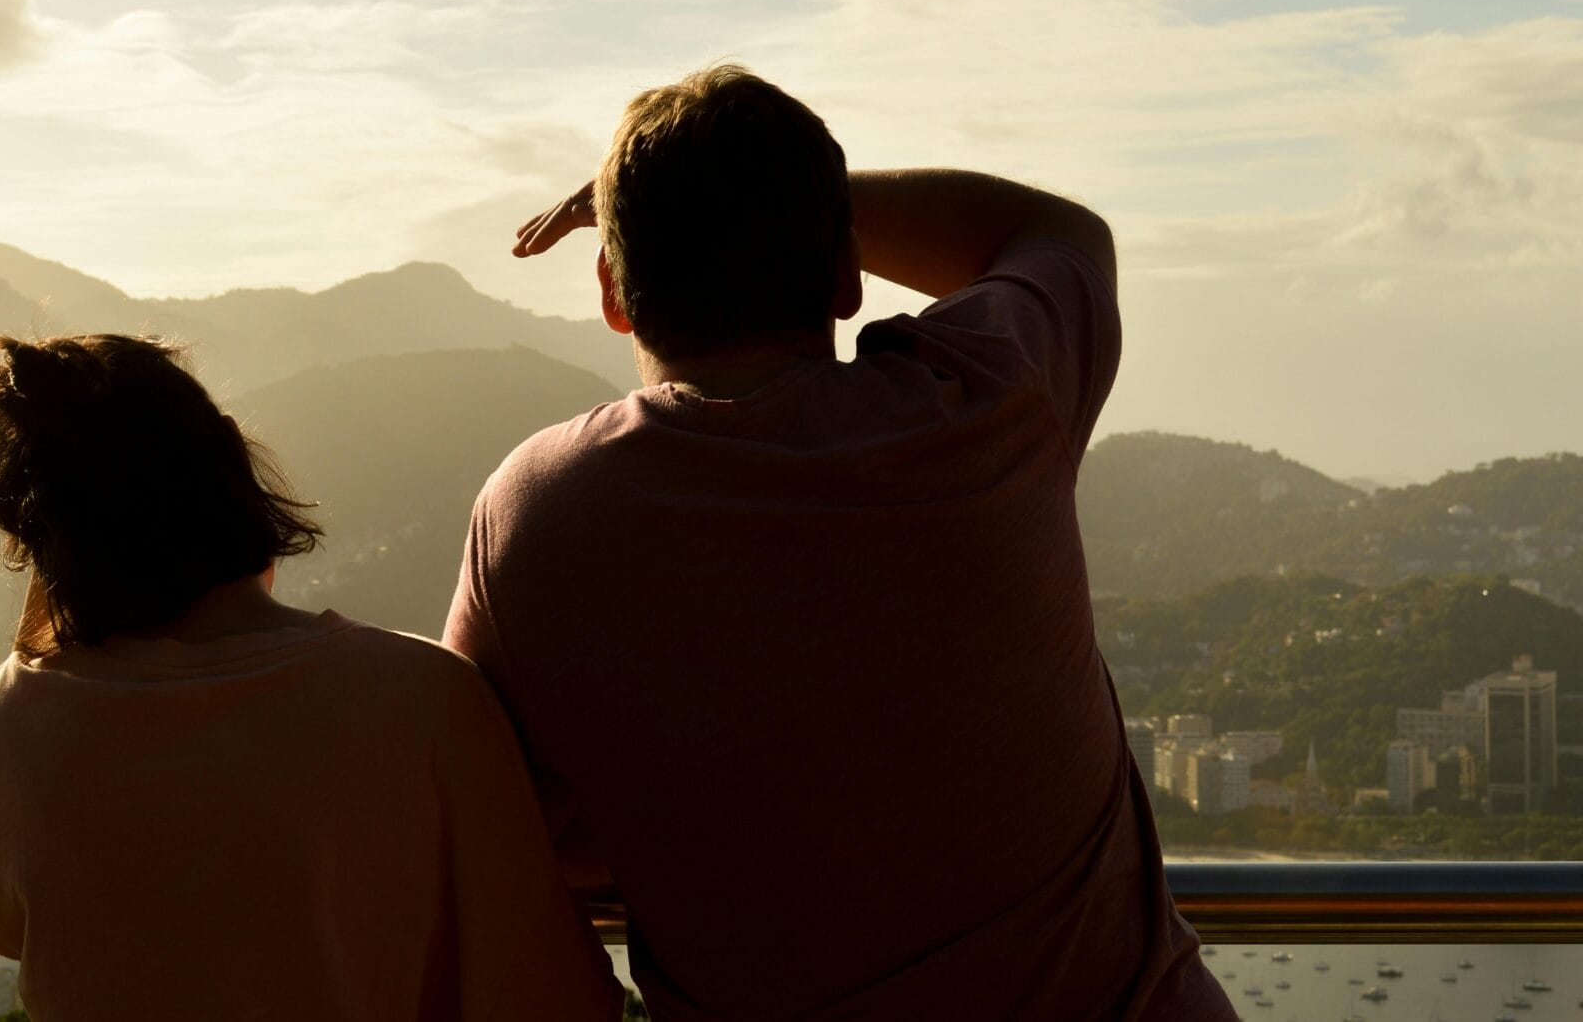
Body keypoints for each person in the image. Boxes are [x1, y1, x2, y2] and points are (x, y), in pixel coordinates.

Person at [443, 65, 1234, 1020]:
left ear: (615, 290)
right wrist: (788, 201)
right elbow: (1061, 234)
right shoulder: (985, 401)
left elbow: (490, 820)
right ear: (848, 273)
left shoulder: (541, 510)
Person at [0, 333, 620, 1021]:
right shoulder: (422, 698)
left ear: (31, 534)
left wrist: (43, 630)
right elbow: (556, 991)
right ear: (231, 456)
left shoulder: (7, 730)